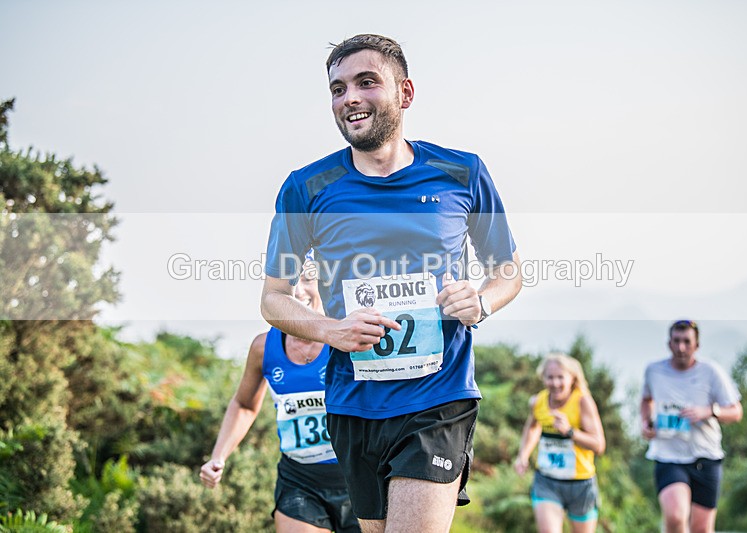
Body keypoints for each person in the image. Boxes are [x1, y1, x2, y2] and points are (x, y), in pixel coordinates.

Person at [260, 34, 522, 532]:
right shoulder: (306, 187)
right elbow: (273, 298)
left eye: (365, 82)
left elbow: (508, 271)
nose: (349, 98)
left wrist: (481, 302)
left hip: (437, 398)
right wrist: (332, 330)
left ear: (405, 93)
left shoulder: (461, 172)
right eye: (337, 89)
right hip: (351, 404)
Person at [200, 269, 359, 533]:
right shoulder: (264, 347)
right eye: (290, 282)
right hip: (300, 479)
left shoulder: (350, 339)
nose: (297, 290)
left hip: (358, 476)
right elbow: (244, 405)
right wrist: (219, 456)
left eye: (308, 279)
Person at [640, 319, 743, 533]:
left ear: (697, 345)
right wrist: (646, 422)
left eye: (687, 341)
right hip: (668, 456)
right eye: (676, 341)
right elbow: (646, 400)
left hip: (706, 455)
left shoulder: (712, 372)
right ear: (669, 343)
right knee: (676, 516)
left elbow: (736, 412)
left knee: (701, 529)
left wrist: (710, 411)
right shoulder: (654, 371)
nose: (681, 347)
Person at [514, 353, 606, 533]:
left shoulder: (582, 401)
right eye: (550, 377)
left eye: (560, 377)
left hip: (580, 484)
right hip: (547, 480)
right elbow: (532, 428)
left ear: (572, 378)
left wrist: (570, 432)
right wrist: (523, 455)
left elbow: (599, 445)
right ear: (543, 378)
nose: (555, 383)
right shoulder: (538, 401)